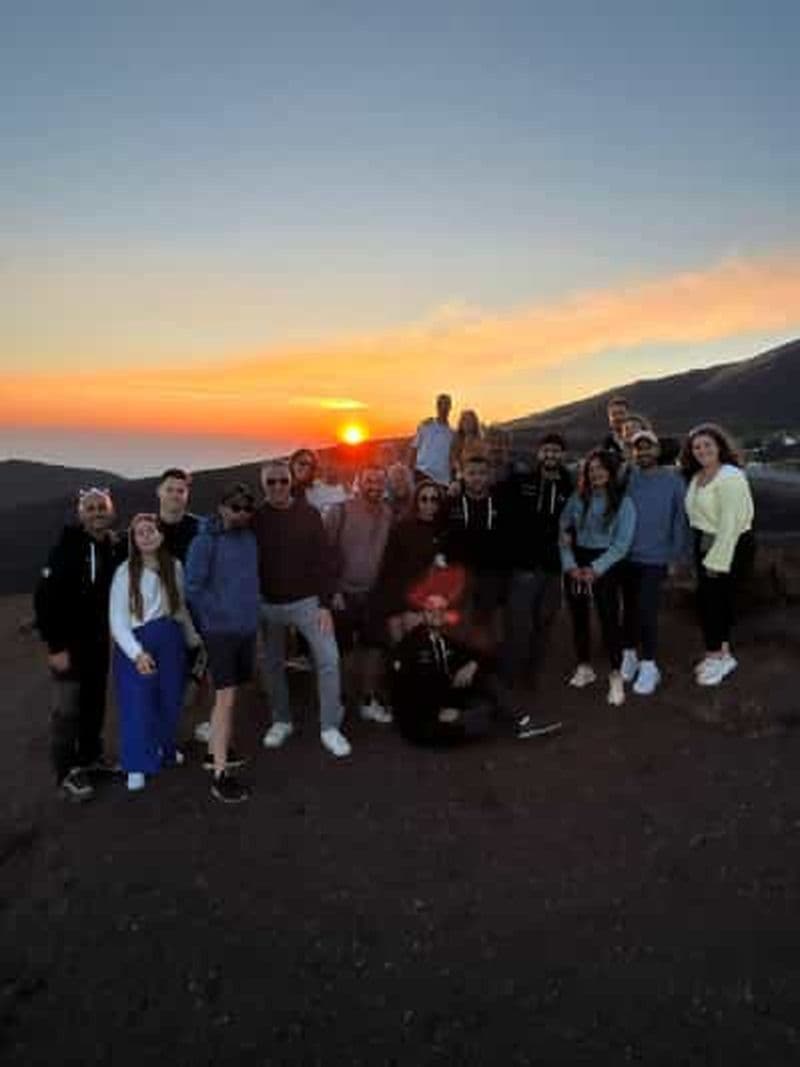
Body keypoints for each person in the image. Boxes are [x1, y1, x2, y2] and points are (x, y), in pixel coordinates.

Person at [253, 459, 351, 757]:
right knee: (272, 665)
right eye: (271, 482)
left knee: (329, 660)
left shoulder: (308, 515)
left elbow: (323, 560)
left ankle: (330, 726)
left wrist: (324, 604)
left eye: (283, 481)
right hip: (268, 605)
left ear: (291, 482)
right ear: (263, 485)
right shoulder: (256, 518)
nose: (278, 487)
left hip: (307, 602)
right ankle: (281, 720)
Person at [34, 487, 125, 801]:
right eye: (91, 508)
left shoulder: (112, 546)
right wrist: (55, 647)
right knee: (67, 710)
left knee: (94, 704)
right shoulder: (67, 548)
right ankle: (67, 773)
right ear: (80, 514)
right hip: (69, 645)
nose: (97, 512)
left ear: (111, 513)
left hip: (98, 643)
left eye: (102, 507)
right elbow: (44, 598)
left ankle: (91, 758)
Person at [391, 588, 562, 745]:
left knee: (484, 678)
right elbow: (405, 689)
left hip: (446, 698)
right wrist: (437, 711)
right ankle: (483, 718)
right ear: (422, 613)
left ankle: (521, 720)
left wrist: (473, 665)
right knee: (477, 722)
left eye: (441, 610)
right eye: (430, 610)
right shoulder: (410, 645)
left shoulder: (445, 640)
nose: (436, 614)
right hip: (423, 718)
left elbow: (482, 656)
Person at [110, 513, 204, 792]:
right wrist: (136, 653)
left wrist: (192, 638)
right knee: (137, 702)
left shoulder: (174, 566)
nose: (147, 536)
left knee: (169, 698)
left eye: (151, 531)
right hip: (138, 640)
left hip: (170, 638)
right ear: (134, 539)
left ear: (160, 535)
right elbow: (117, 619)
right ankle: (137, 763)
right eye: (140, 533)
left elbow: (180, 607)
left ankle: (165, 748)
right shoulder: (125, 572)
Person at [185, 483, 260, 803]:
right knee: (225, 698)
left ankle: (215, 748)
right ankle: (219, 774)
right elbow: (193, 587)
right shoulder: (206, 541)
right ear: (221, 507)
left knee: (231, 695)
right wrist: (219, 617)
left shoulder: (249, 537)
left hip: (245, 629)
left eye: (246, 507)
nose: (241, 512)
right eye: (235, 506)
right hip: (221, 632)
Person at [681, 423, 755, 686]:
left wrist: (716, 560)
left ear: (719, 447)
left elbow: (731, 522)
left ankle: (718, 655)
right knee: (711, 600)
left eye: (707, 445)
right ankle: (720, 653)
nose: (702, 450)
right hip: (705, 541)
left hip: (730, 544)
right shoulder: (697, 476)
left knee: (714, 601)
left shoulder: (730, 476)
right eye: (696, 447)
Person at [560, 450, 636, 706]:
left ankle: (615, 674)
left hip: (607, 562)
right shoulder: (577, 499)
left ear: (612, 471)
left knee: (608, 616)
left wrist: (596, 568)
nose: (596, 473)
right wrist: (571, 565)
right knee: (578, 615)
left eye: (601, 468)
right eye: (591, 469)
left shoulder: (624, 503)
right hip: (577, 561)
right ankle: (584, 666)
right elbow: (563, 533)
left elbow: (622, 545)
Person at [619, 431, 690, 695]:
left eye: (648, 448)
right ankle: (629, 655)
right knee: (628, 609)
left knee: (647, 609)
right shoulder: (628, 477)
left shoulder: (673, 479)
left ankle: (649, 665)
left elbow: (680, 520)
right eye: (638, 449)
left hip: (656, 557)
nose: (643, 453)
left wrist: (676, 556)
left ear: (657, 451)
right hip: (627, 556)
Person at [503, 433, 573, 698]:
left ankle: (532, 676)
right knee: (520, 624)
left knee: (545, 623)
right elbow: (496, 499)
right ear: (539, 454)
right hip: (524, 566)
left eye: (556, 451)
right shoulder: (522, 481)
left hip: (554, 567)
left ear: (563, 455)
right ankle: (510, 677)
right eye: (546, 450)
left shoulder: (571, 486)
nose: (551, 455)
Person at [326, 465, 393, 723]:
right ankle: (340, 700)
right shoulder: (339, 511)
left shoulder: (388, 514)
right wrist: (332, 590)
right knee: (343, 651)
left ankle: (368, 700)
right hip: (342, 593)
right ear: (358, 482)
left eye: (378, 481)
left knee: (373, 648)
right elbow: (324, 553)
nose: (374, 486)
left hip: (372, 592)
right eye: (368, 481)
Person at [444, 453, 508, 655]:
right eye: (471, 473)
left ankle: (484, 670)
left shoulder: (500, 502)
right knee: (460, 623)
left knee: (487, 625)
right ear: (462, 475)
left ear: (489, 475)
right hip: (460, 575)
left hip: (491, 575)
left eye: (482, 473)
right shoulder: (452, 503)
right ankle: (458, 668)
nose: (477, 478)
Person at [374, 480, 448, 644]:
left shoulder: (445, 531)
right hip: (399, 602)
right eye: (424, 499)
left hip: (431, 607)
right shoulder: (402, 528)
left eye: (434, 499)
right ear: (416, 501)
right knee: (401, 656)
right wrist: (394, 609)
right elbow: (388, 568)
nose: (429, 504)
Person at [409, 393, 455, 486]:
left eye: (446, 404)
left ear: (450, 407)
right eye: (440, 404)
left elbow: (452, 458)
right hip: (423, 474)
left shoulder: (452, 434)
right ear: (436, 407)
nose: (443, 407)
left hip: (442, 479)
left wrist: (452, 478)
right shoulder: (425, 426)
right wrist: (411, 471)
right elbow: (414, 448)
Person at [156, 468, 200, 563]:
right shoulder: (146, 530)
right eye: (169, 490)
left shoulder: (201, 530)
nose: (175, 495)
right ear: (159, 491)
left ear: (187, 494)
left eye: (180, 491)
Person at [449, 409, 486, 489]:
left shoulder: (480, 440)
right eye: (464, 420)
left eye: (470, 421)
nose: (467, 423)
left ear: (474, 423)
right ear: (461, 423)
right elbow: (453, 458)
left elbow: (483, 459)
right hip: (461, 476)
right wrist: (459, 471)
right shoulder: (457, 440)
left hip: (477, 476)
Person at [602, 396, 629, 460]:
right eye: (613, 414)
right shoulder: (607, 443)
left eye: (621, 413)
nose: (618, 417)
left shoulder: (639, 439)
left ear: (628, 415)